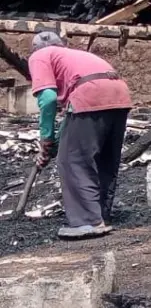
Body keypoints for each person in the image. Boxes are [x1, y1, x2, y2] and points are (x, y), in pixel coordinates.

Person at [27, 31, 132, 239]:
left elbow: (48, 99)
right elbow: (70, 121)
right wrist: (55, 141)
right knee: (104, 159)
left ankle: (87, 221)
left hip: (89, 94)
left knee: (72, 160)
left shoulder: (39, 56)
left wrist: (46, 138)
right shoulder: (73, 56)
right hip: (119, 93)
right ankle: (100, 215)